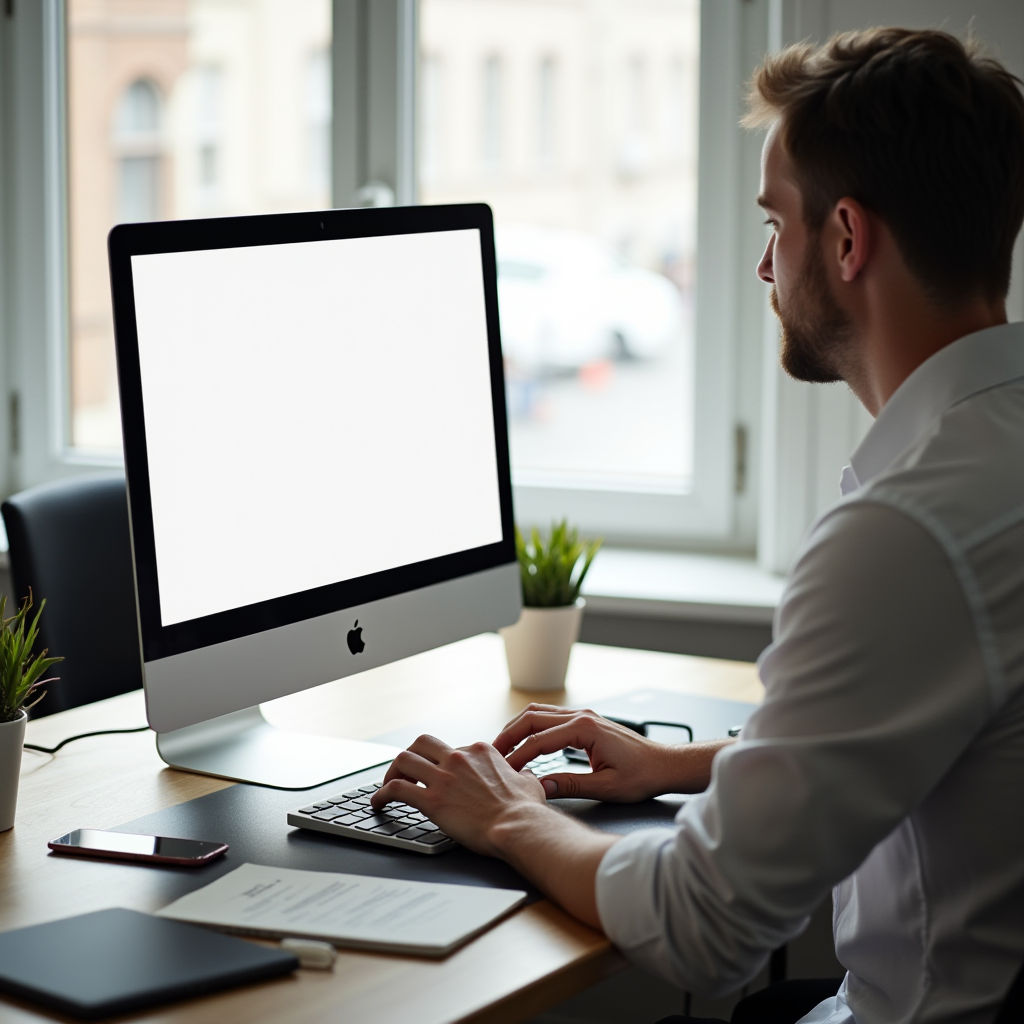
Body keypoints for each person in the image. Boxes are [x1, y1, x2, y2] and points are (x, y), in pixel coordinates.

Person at [371, 27, 1024, 1023]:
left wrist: (508, 816)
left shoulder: (908, 531)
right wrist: (685, 764)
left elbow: (702, 929)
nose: (765, 268)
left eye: (776, 224)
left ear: (847, 239)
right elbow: (952, 740)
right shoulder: (994, 456)